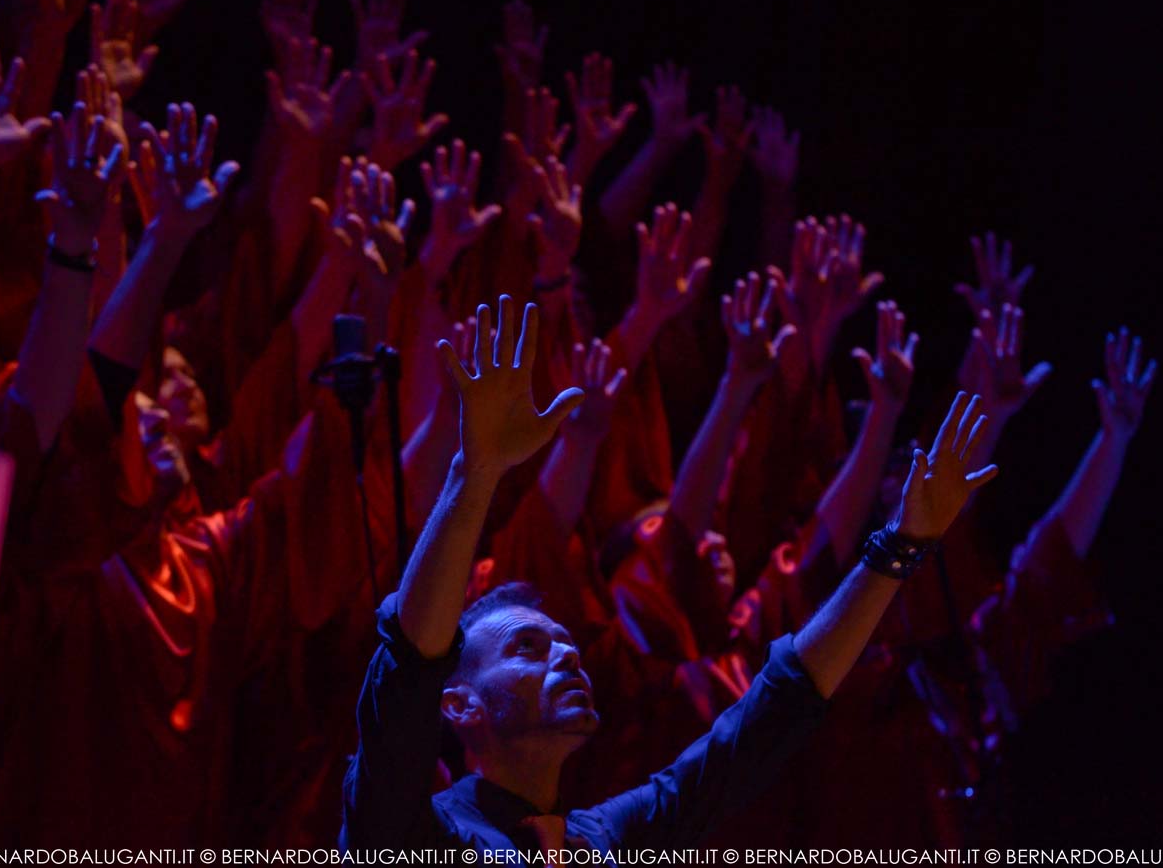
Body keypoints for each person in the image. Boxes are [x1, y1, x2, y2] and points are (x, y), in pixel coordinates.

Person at [340, 293, 998, 852]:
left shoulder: (600, 840)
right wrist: (475, 473)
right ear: (458, 705)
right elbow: (409, 665)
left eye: (566, 643)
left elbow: (777, 705)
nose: (568, 656)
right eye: (528, 648)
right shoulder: (407, 831)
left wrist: (902, 543)